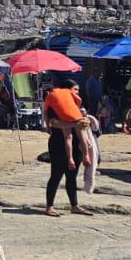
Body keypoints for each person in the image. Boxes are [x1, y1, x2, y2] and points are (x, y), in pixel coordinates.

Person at [44, 83, 91, 217]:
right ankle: (49, 206)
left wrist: (85, 121)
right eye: (75, 89)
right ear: (67, 90)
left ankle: (74, 205)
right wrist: (74, 124)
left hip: (76, 144)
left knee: (72, 177)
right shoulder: (55, 104)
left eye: (78, 90)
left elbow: (83, 125)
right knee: (56, 175)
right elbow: (54, 123)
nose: (77, 92)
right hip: (58, 144)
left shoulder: (74, 106)